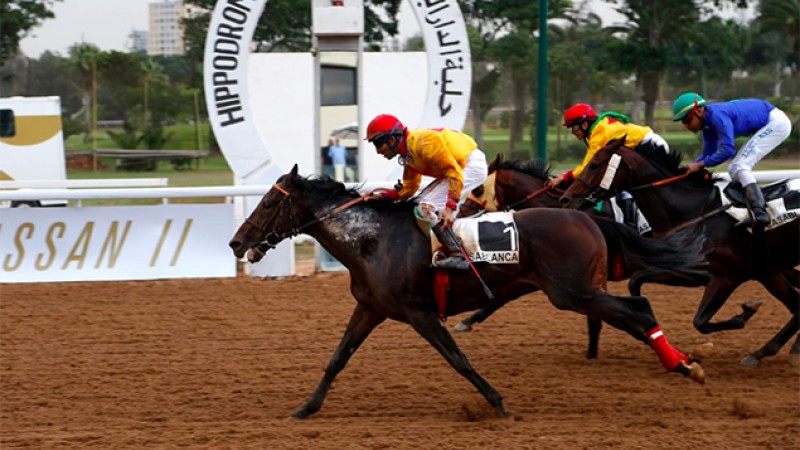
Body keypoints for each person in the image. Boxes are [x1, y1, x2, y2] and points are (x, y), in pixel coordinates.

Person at [364, 113, 488, 270]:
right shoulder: (408, 153)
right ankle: (446, 246)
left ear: (392, 139)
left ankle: (458, 254)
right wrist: (382, 196)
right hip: (459, 168)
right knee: (418, 203)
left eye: (378, 144)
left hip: (471, 166)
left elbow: (454, 173)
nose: (377, 151)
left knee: (426, 206)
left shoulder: (424, 144)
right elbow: (410, 188)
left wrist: (449, 207)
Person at [673, 93, 792, 226]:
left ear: (699, 110)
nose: (686, 125)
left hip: (776, 123)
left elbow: (728, 150)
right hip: (767, 122)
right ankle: (751, 208)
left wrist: (700, 164)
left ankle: (760, 213)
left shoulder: (717, 116)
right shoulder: (707, 126)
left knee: (740, 166)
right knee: (733, 169)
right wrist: (689, 167)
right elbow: (708, 153)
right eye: (683, 122)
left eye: (687, 119)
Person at [548, 103, 669, 231]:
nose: (573, 132)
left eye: (574, 127)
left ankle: (641, 225)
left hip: (653, 146)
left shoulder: (599, 134)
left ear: (585, 124)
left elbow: (587, 167)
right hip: (640, 147)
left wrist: (563, 178)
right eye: (570, 128)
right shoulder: (597, 129)